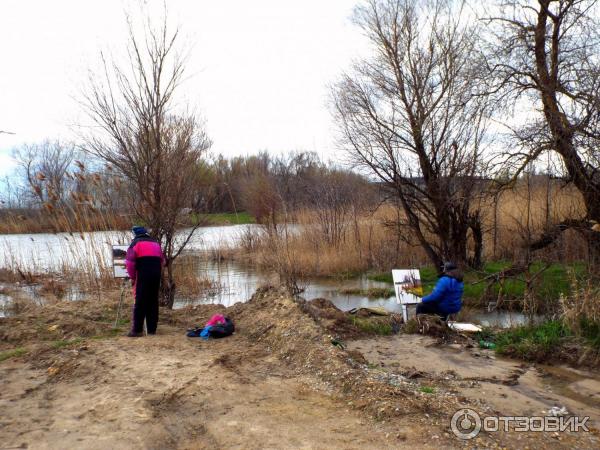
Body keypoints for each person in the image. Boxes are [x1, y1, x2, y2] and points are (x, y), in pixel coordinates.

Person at [125, 226, 165, 337]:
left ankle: (137, 331)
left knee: (140, 302)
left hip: (143, 274)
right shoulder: (156, 243)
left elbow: (129, 263)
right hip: (156, 275)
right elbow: (163, 261)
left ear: (135, 234)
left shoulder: (135, 243)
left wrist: (133, 277)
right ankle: (152, 330)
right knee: (153, 301)